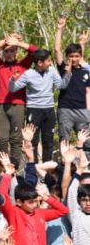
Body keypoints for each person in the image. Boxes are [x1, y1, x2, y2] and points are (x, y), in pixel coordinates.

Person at [9, 49, 62, 162]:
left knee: (48, 140)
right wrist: (12, 80)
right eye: (48, 61)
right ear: (39, 63)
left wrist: (68, 73)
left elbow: (61, 85)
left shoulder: (51, 71)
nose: (50, 63)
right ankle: (33, 167)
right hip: (34, 111)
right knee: (32, 140)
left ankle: (47, 169)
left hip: (49, 110)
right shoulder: (28, 74)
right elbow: (13, 89)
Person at [0, 33, 37, 165]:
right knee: (1, 139)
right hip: (1, 105)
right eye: (6, 51)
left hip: (19, 105)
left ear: (16, 52)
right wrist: (7, 40)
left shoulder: (23, 65)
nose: (9, 53)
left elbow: (34, 51)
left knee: (16, 139)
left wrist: (17, 42)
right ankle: (4, 167)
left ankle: (15, 168)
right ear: (3, 54)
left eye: (12, 50)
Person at [54, 15, 90, 154]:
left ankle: (86, 171)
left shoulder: (86, 71)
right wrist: (59, 29)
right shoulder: (64, 68)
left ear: (80, 56)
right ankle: (65, 169)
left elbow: (88, 92)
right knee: (65, 141)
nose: (74, 59)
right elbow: (57, 49)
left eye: (76, 56)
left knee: (87, 143)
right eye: (71, 56)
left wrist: (89, 112)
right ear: (67, 57)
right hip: (65, 110)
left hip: (83, 111)